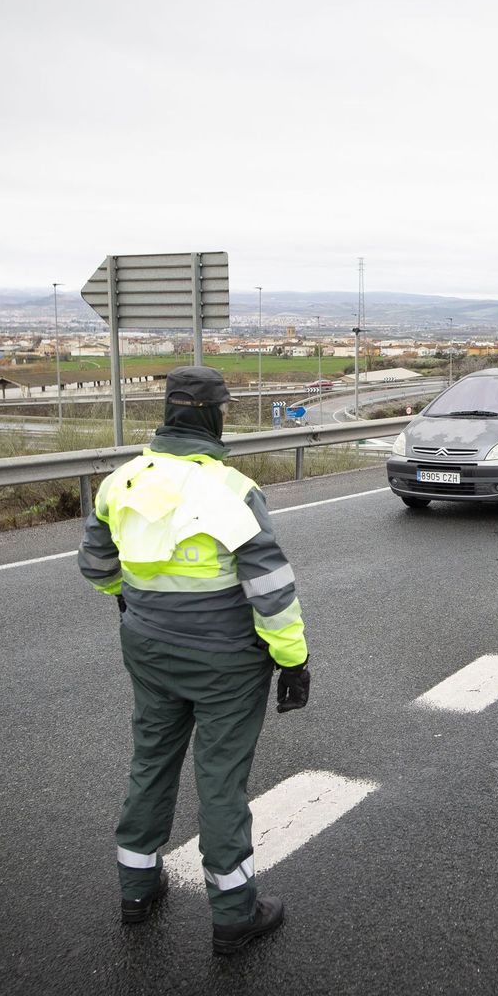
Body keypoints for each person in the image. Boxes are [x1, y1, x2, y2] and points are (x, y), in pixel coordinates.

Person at [78, 365, 311, 954]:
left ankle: (137, 888)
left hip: (149, 647)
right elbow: (271, 589)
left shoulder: (121, 482)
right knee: (220, 779)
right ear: (215, 414)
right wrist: (293, 659)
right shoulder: (231, 489)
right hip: (226, 662)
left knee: (151, 758)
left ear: (166, 411)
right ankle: (234, 913)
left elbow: (96, 567)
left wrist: (130, 604)